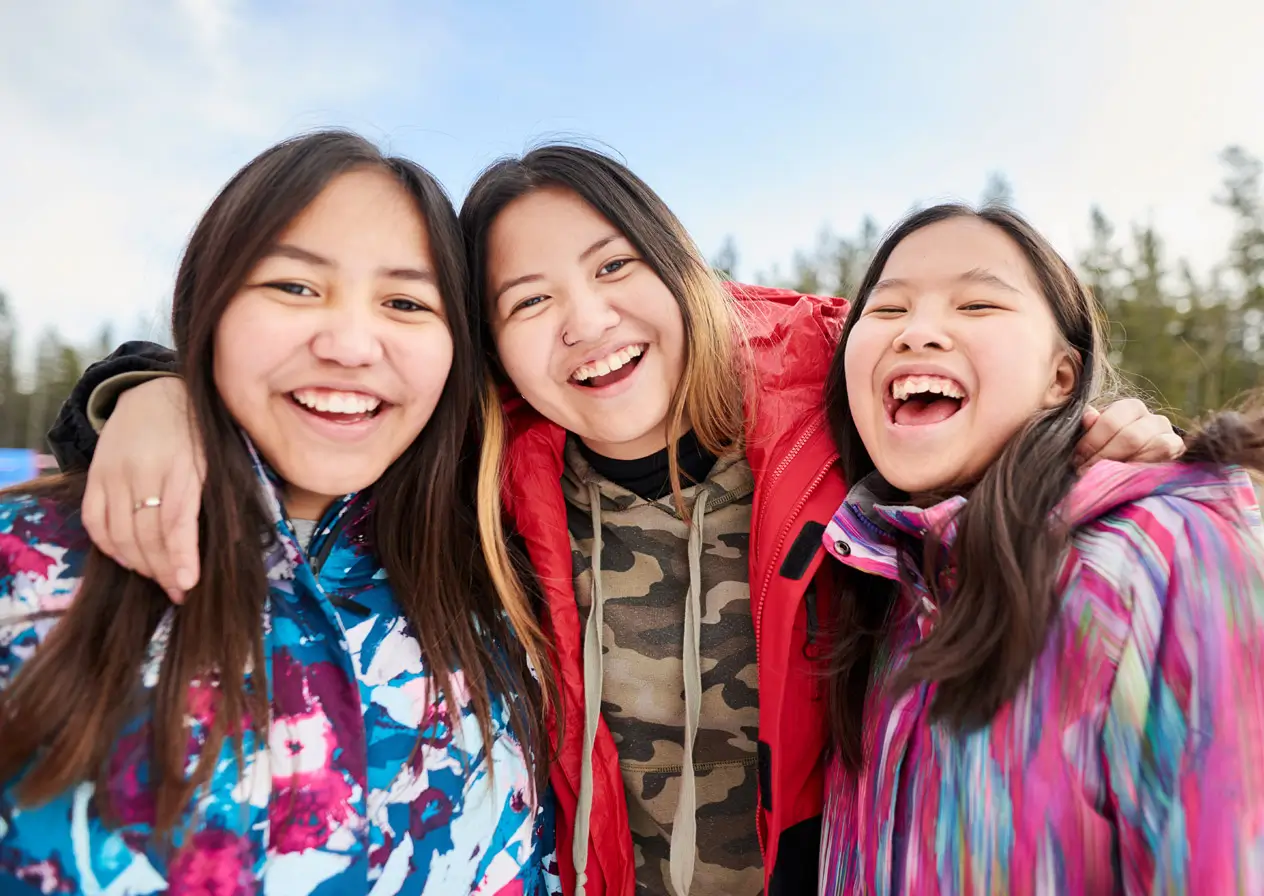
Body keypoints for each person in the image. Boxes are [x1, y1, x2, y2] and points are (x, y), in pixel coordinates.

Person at [46, 147, 1185, 896]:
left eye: (612, 267)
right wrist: (148, 390)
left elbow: (966, 360)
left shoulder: (831, 404)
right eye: (527, 301)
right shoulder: (487, 468)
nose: (583, 322)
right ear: (491, 345)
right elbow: (329, 398)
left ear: (681, 268)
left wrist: (1076, 433)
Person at [0, 130, 559, 894]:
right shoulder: (24, 573)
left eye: (404, 302)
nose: (352, 344)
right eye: (295, 287)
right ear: (211, 306)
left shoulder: (507, 590)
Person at [817, 203, 1264, 895]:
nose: (918, 331)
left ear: (1062, 377)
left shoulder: (1165, 555)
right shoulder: (878, 580)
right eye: (886, 309)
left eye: (976, 303)